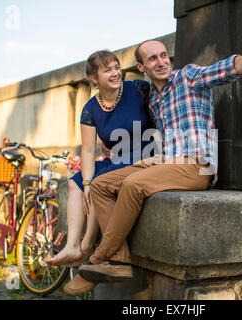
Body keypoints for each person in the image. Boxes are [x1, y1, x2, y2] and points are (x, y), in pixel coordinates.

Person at [76, 39, 242, 288]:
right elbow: (136, 127)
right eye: (153, 59)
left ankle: (99, 259)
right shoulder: (152, 98)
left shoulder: (189, 77)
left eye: (164, 55)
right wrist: (112, 147)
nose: (161, 62)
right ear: (141, 67)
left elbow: (230, 67)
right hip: (166, 161)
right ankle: (119, 261)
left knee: (132, 185)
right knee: (100, 184)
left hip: (197, 164)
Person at [44, 50, 156, 295]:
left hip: (143, 159)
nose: (116, 73)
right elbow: (86, 151)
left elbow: (162, 110)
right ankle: (73, 244)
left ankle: (86, 248)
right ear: (94, 78)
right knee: (76, 184)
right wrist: (85, 183)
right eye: (108, 70)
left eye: (117, 67)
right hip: (116, 159)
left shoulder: (138, 89)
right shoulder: (90, 109)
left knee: (99, 183)